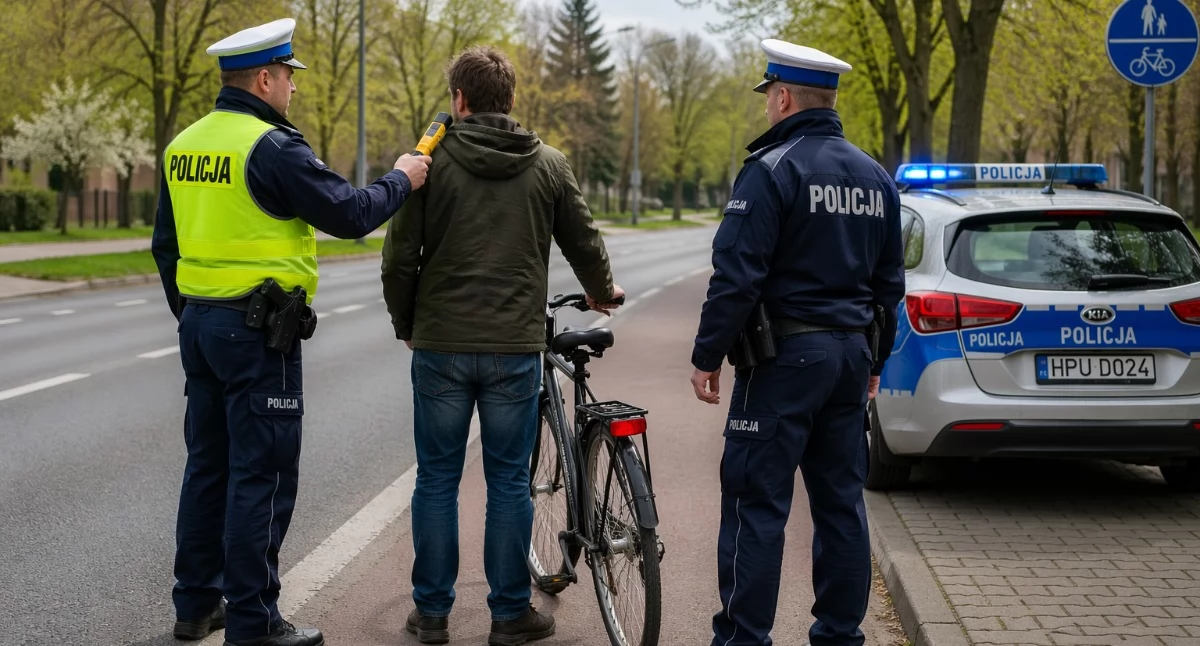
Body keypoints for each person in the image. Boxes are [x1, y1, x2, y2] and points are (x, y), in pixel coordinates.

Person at [150, 18, 431, 646]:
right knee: (263, 473)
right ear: (265, 78)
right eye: (289, 78)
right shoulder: (272, 148)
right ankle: (253, 621)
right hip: (258, 333)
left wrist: (194, 313)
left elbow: (164, 247)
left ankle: (195, 606)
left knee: (207, 467)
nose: (294, 90)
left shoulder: (184, 145)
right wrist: (403, 179)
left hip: (200, 324)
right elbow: (351, 213)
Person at [380, 44, 624, 646]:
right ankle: (510, 613)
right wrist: (601, 291)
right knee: (510, 481)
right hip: (514, 348)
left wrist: (406, 322)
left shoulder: (426, 165)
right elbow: (583, 241)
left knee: (436, 478)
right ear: (510, 101)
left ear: (458, 101)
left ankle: (432, 614)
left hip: (440, 342)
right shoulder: (548, 163)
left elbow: (398, 258)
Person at [688, 39, 906, 646]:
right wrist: (874, 363)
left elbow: (736, 276)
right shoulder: (875, 178)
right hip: (850, 359)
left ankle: (743, 639)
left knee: (757, 506)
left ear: (782, 97)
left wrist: (707, 355)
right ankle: (840, 636)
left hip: (782, 363)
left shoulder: (771, 171)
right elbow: (890, 287)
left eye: (768, 99)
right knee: (841, 506)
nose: (767, 110)